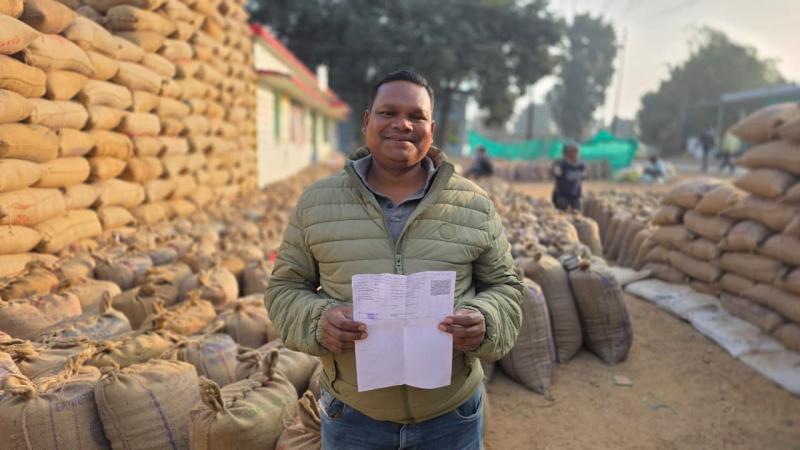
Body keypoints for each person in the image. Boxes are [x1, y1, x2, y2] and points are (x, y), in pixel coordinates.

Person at [266, 70, 523, 450]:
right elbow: (284, 288)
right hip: (353, 416)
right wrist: (319, 320)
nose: (402, 124)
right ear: (367, 120)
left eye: (416, 116)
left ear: (431, 129)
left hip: (450, 417)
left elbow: (506, 287)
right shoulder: (317, 203)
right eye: (388, 113)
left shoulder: (473, 204)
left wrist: (486, 319)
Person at [551, 143, 585, 211]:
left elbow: (581, 177)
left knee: (577, 211)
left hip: (576, 194)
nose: (576, 154)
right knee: (561, 211)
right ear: (568, 153)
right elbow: (556, 174)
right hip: (563, 194)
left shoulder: (580, 165)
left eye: (577, 152)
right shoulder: (562, 164)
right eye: (573, 151)